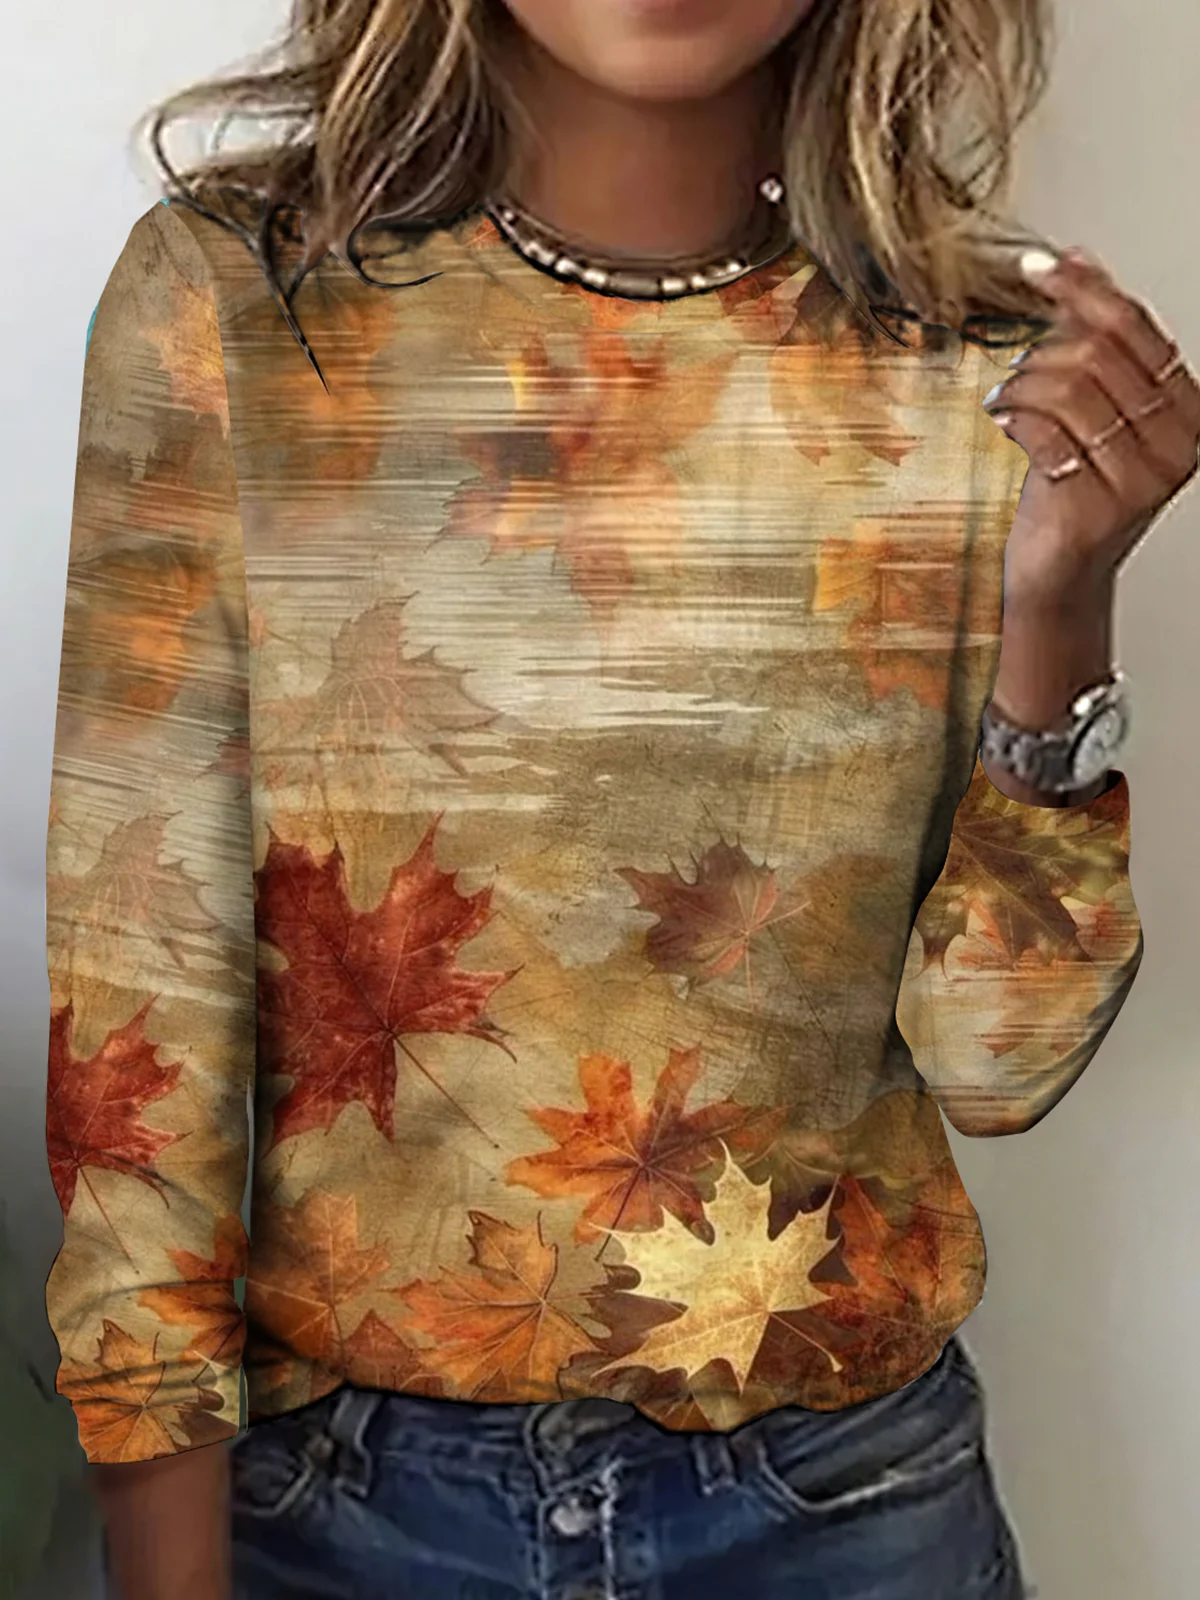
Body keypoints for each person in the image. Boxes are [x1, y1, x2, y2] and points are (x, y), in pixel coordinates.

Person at [41, 1, 1199, 1597]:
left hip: (841, 1503)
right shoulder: (244, 301)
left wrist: (1063, 607)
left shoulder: (982, 368)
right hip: (339, 1508)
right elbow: (138, 1017)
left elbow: (995, 1064)